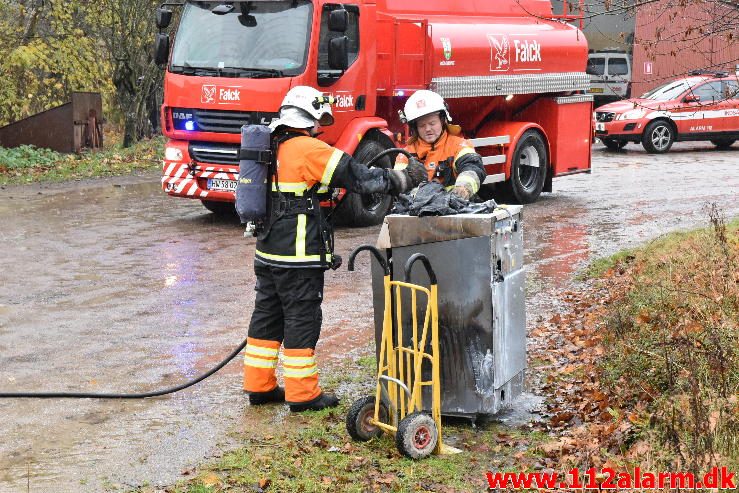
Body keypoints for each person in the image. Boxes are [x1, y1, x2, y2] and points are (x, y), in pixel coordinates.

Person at [243, 86, 426, 412]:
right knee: (302, 319)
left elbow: (302, 185)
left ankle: (259, 386)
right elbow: (359, 178)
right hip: (297, 256)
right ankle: (302, 394)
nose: (319, 128)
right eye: (317, 121)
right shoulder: (308, 148)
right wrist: (402, 178)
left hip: (268, 252)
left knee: (267, 318)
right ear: (309, 117)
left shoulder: (269, 146)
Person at [395, 90, 485, 200]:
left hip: (455, 209)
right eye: (422, 125)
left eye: (432, 123)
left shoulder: (458, 145)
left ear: (442, 121)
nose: (428, 129)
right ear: (415, 128)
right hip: (417, 211)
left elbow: (472, 167)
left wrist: (463, 188)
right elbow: (399, 181)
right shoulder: (406, 154)